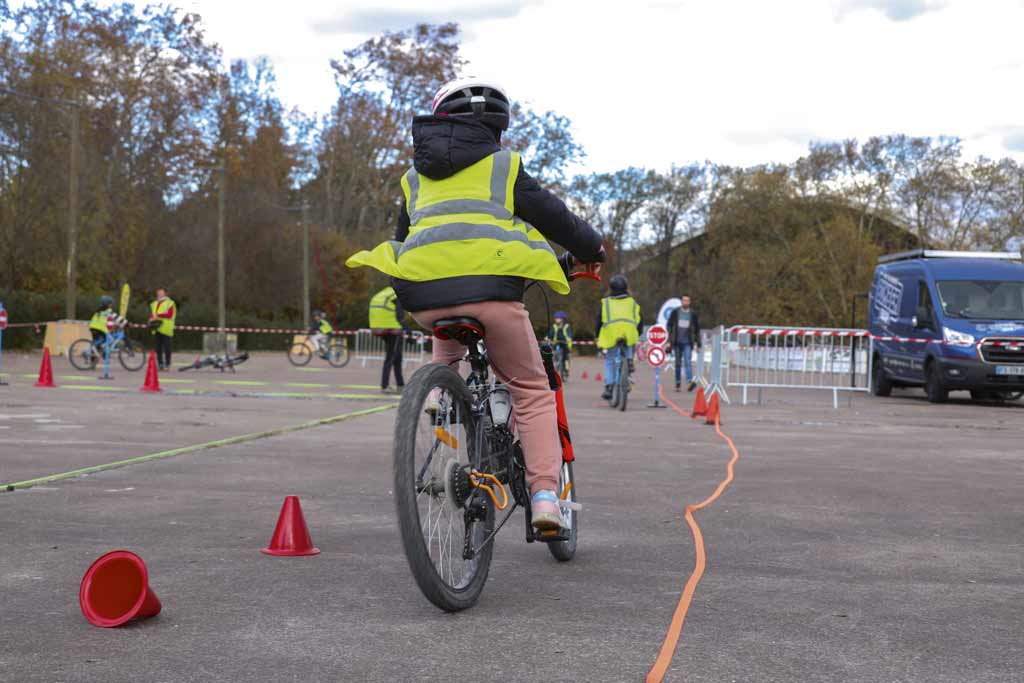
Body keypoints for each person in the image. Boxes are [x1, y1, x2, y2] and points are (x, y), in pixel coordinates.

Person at [346, 77, 605, 531]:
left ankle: (439, 394)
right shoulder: (503, 166)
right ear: (496, 130)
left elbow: (407, 238)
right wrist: (591, 249)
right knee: (530, 389)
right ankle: (546, 496)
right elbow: (554, 217)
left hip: (422, 297)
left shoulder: (414, 178)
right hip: (491, 294)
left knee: (446, 320)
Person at [594, 275, 642, 400]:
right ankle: (630, 361)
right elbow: (639, 320)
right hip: (629, 332)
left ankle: (609, 387)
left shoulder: (606, 303)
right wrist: (639, 332)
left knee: (610, 359)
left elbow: (599, 320)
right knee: (630, 342)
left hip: (612, 334)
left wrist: (596, 335)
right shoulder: (632, 302)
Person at [369, 285, 410, 393]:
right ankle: (385, 386)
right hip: (393, 329)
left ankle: (400, 385)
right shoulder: (396, 295)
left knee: (397, 358)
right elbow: (400, 315)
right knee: (391, 358)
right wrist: (408, 331)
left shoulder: (384, 293)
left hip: (378, 328)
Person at [667, 295, 701, 391]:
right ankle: (678, 382)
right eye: (684, 300)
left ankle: (689, 381)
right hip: (677, 342)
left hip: (688, 342)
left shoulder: (693, 314)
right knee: (678, 363)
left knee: (688, 361)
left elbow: (697, 329)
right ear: (681, 301)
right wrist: (669, 341)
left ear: (690, 302)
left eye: (687, 300)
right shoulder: (676, 312)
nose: (685, 302)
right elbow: (669, 325)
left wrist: (698, 344)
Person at [148, 288, 176, 370]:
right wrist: (150, 319)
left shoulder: (170, 303)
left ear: (165, 294)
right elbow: (152, 314)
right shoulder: (154, 303)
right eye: (158, 293)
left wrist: (158, 315)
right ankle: (160, 364)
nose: (159, 294)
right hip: (156, 327)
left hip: (166, 328)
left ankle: (167, 364)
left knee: (167, 347)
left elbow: (169, 314)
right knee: (158, 347)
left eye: (161, 293)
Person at [547, 311, 573, 379]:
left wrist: (569, 338)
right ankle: (556, 365)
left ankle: (566, 370)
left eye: (558, 318)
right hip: (556, 343)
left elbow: (569, 334)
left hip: (565, 344)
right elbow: (550, 333)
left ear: (563, 319)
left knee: (566, 358)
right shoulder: (554, 326)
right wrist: (548, 337)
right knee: (554, 354)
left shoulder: (566, 326)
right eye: (556, 318)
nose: (557, 320)